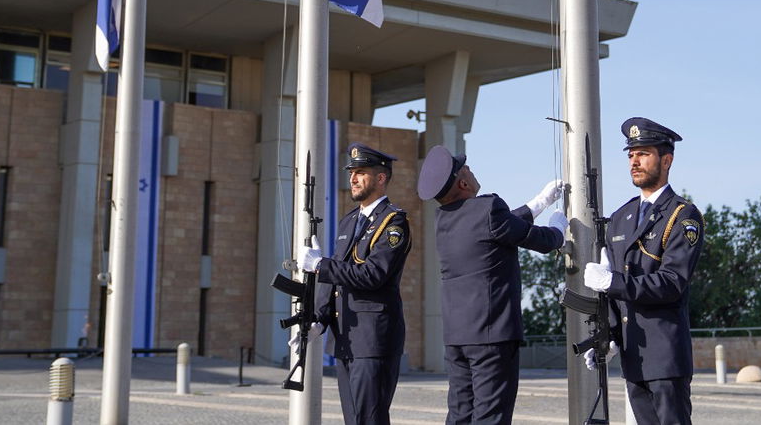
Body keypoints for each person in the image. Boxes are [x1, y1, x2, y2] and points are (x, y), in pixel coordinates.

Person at [417, 144, 567, 425]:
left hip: (458, 337)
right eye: (467, 169)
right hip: (491, 336)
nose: (471, 170)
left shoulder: (444, 219)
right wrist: (558, 229)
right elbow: (539, 240)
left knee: (460, 415)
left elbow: (499, 227)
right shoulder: (487, 208)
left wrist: (539, 203)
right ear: (463, 182)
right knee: (491, 416)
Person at [582, 117, 704, 425]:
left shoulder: (682, 215)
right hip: (632, 354)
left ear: (666, 160)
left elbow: (671, 282)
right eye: (631, 155)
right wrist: (607, 334)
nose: (635, 162)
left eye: (644, 154)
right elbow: (611, 288)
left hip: (665, 356)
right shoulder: (621, 217)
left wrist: (613, 281)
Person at [298, 144, 412, 425]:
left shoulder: (393, 222)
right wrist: (319, 318)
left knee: (369, 419)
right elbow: (337, 276)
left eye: (361, 173)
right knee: (353, 420)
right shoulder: (349, 220)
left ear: (381, 178)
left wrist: (319, 265)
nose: (353, 178)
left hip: (373, 340)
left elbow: (372, 275)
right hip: (345, 337)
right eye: (352, 173)